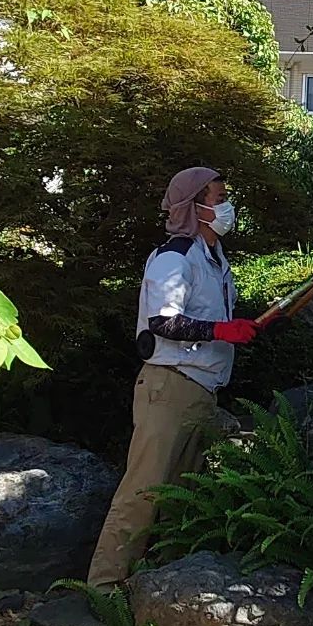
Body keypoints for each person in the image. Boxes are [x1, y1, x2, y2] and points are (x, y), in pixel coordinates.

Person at [87, 167, 259, 590]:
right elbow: (163, 322)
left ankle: (156, 591)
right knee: (143, 493)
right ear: (194, 207)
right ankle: (102, 590)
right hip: (169, 387)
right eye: (217, 198)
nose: (225, 205)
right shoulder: (174, 256)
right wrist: (220, 331)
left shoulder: (214, 259)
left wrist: (235, 328)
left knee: (180, 500)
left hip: (202, 391)